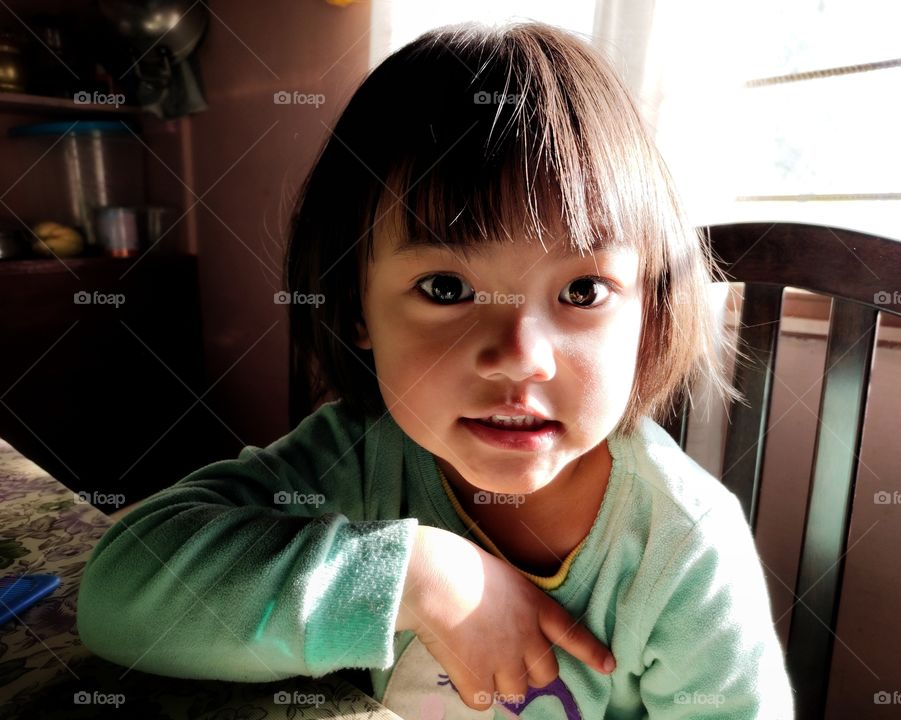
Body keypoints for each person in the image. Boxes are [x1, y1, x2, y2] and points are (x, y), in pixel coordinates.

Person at [77, 20, 795, 719]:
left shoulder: (685, 550)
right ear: (357, 307)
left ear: (651, 313)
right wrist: (417, 577)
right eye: (447, 289)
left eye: (581, 292)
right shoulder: (358, 456)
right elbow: (120, 594)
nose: (519, 354)